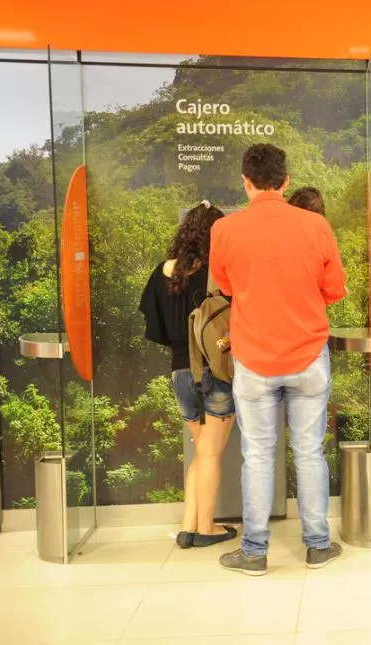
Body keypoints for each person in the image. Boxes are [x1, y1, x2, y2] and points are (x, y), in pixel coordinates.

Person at [212, 144, 347, 576]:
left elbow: (226, 286)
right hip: (308, 355)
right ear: (286, 181)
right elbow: (334, 289)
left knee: (257, 455)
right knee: (309, 453)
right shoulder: (316, 226)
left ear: (245, 181)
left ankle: (253, 552)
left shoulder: (225, 230)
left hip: (253, 358)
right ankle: (318, 546)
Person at [139, 200, 237, 548]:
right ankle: (206, 528)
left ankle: (187, 527)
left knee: (201, 450)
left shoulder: (162, 272)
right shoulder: (218, 273)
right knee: (210, 453)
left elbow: (156, 330)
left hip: (180, 373)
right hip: (214, 371)